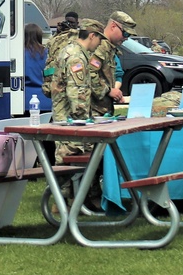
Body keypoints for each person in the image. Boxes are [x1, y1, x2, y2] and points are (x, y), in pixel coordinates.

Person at [50, 19, 108, 163]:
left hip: (65, 119)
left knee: (72, 169)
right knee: (68, 167)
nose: (100, 43)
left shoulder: (70, 50)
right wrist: (85, 122)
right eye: (100, 38)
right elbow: (77, 94)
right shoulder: (77, 57)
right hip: (71, 123)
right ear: (92, 36)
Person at [91, 11, 137, 116]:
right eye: (125, 33)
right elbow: (88, 75)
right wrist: (108, 91)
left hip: (104, 111)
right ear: (113, 26)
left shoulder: (110, 49)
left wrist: (115, 92)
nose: (126, 38)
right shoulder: (99, 47)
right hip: (93, 112)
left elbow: (115, 75)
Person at [41, 11, 80, 97]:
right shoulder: (58, 38)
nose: (70, 25)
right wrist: (58, 32)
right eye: (67, 22)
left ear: (77, 23)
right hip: (57, 77)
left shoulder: (79, 37)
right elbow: (49, 46)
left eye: (72, 23)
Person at [23, 22, 52, 112]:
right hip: (46, 100)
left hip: (24, 101)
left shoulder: (20, 54)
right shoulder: (47, 53)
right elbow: (51, 75)